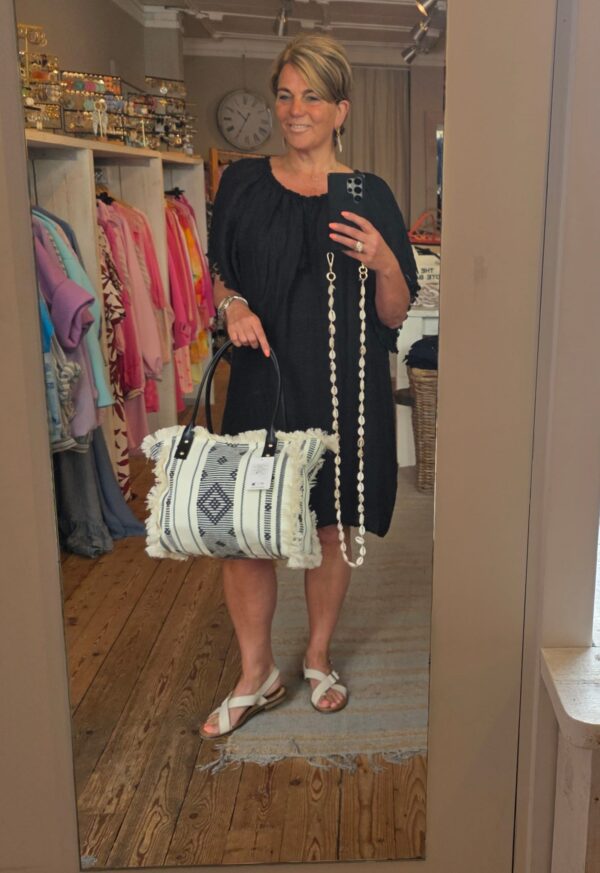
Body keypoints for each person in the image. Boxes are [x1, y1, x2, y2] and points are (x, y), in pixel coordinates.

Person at [201, 33, 419, 738]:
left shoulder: (369, 194)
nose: (296, 110)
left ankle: (318, 655)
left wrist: (386, 260)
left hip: (343, 382)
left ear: (340, 110)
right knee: (247, 530)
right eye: (286, 95)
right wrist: (233, 305)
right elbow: (219, 276)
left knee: (331, 525)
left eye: (313, 97)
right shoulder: (241, 183)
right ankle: (256, 673)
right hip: (262, 378)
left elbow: (395, 312)